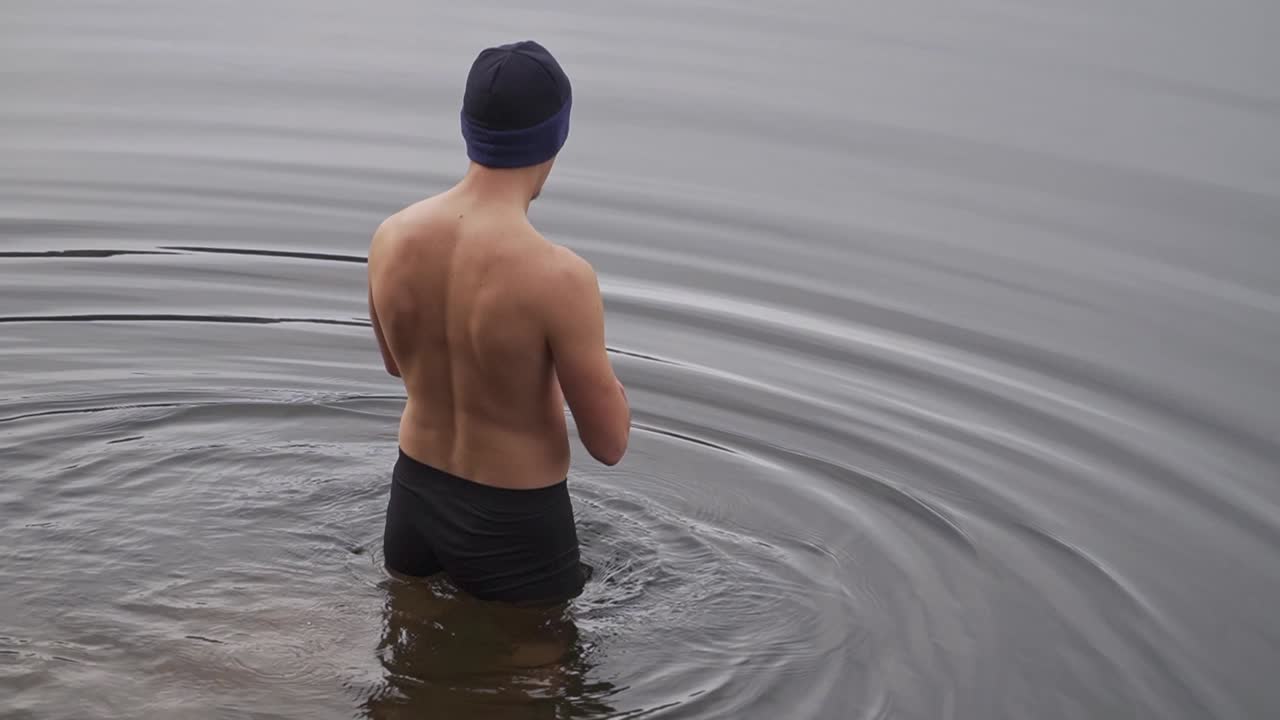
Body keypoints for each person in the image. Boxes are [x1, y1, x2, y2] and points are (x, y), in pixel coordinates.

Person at [366, 40, 631, 606]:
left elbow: (396, 364)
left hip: (414, 496)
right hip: (516, 519)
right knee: (535, 691)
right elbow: (609, 444)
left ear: (467, 127)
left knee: (406, 665)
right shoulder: (560, 277)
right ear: (556, 137)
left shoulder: (392, 236)